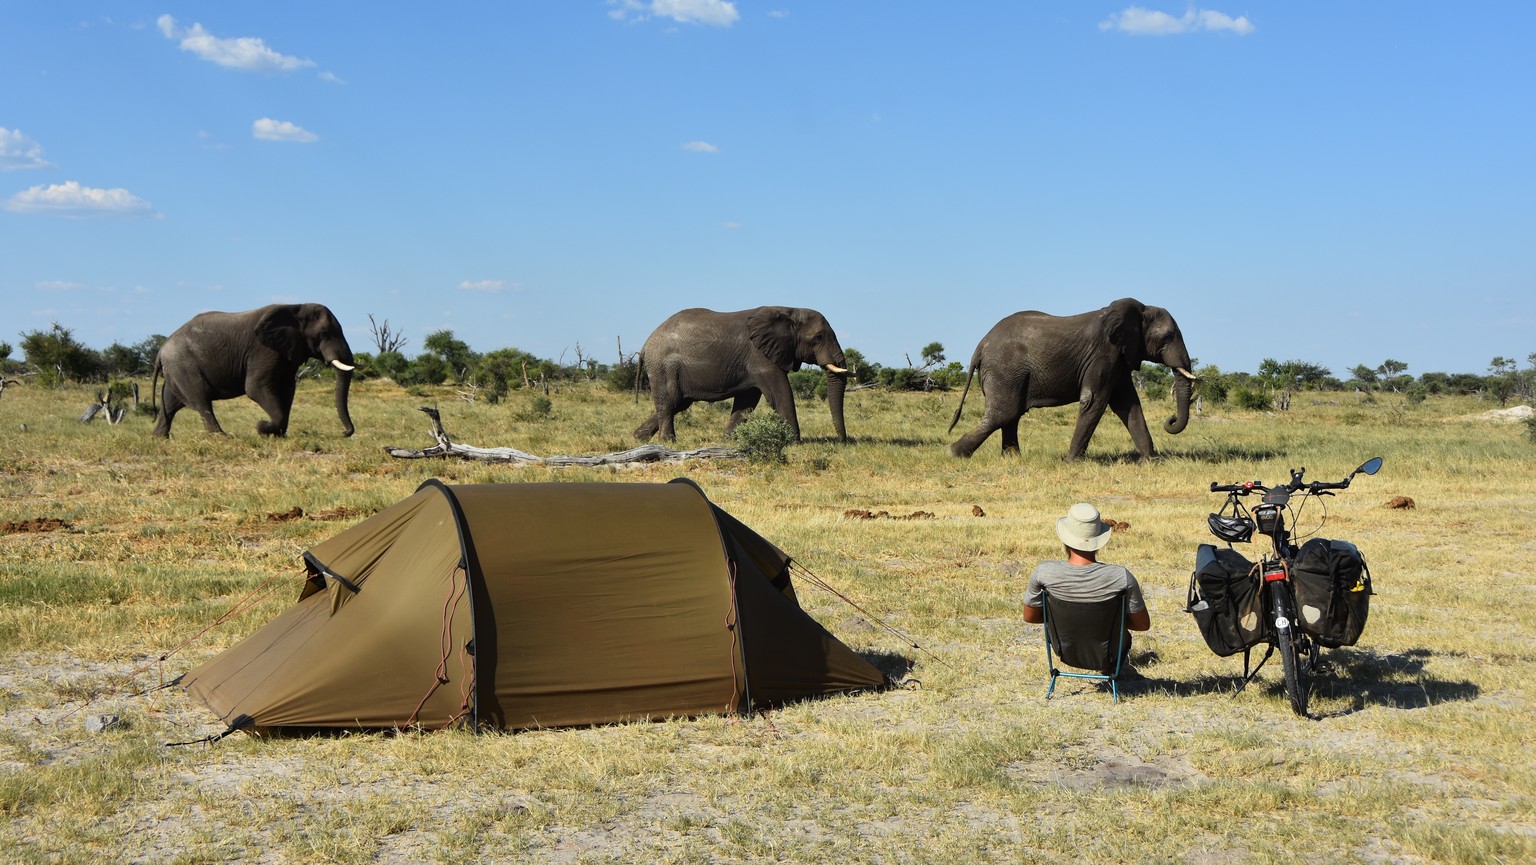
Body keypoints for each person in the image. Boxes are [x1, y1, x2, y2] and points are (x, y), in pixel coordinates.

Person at [1022, 503, 1150, 665]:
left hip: (1063, 651)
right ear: (1099, 541)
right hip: (1108, 653)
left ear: (1065, 539)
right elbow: (1142, 624)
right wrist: (1112, 621)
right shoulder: (1121, 577)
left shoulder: (1044, 573)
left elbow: (1029, 617)